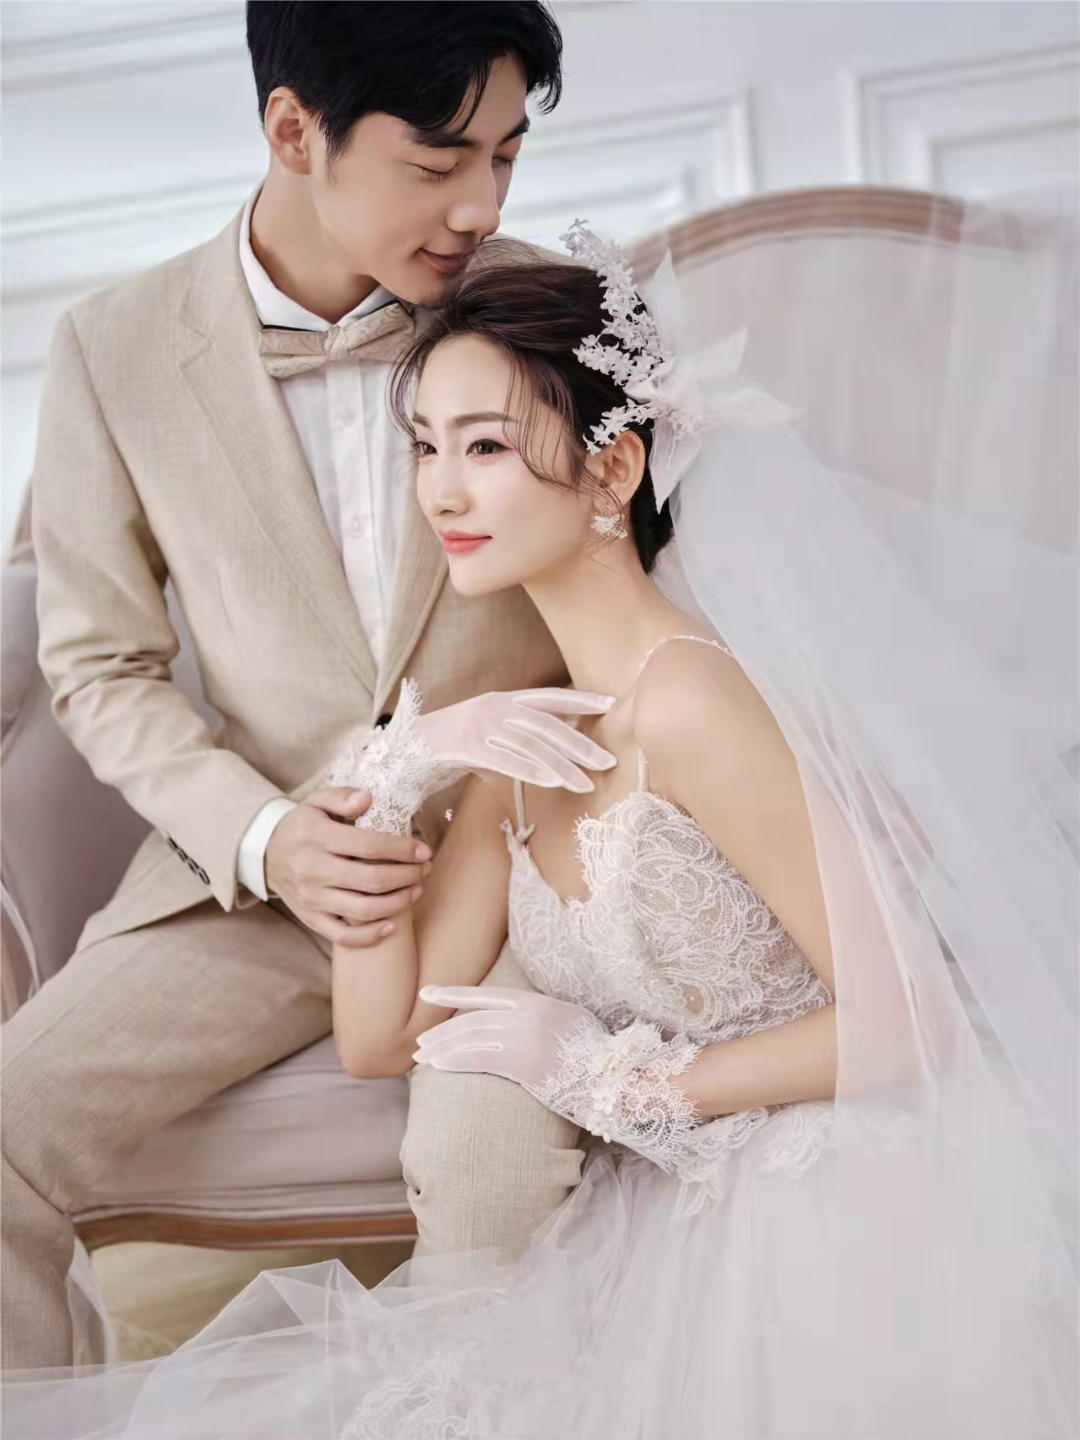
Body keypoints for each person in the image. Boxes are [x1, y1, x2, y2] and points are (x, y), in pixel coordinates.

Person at [6, 218, 1075, 1437]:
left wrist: (602, 1074)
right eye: (425, 446)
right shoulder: (518, 741)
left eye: (486, 446)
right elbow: (382, 1035)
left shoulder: (691, 702)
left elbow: (906, 1022)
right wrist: (399, 768)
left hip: (847, 1202)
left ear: (613, 472)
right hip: (682, 1204)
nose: (441, 491)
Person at [1, 0, 608, 1372]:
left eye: (507, 156)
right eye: (438, 160)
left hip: (522, 872)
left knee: (492, 1183)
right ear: (293, 129)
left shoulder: (546, 309)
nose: (480, 205)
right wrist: (270, 839)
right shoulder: (113, 348)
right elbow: (99, 665)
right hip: (264, 876)